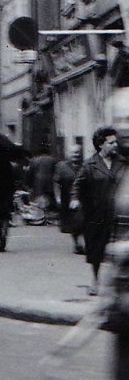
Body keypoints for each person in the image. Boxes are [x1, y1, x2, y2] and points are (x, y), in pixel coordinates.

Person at [70, 126, 126, 295]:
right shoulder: (90, 164)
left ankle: (119, 284)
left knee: (119, 248)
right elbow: (77, 184)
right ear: (101, 145)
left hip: (119, 213)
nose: (115, 145)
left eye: (116, 142)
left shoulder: (123, 162)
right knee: (96, 249)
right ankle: (95, 282)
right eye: (111, 142)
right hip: (97, 213)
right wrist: (75, 199)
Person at [53, 146, 85, 254]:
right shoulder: (62, 166)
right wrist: (57, 197)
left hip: (82, 198)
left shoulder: (85, 165)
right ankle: (77, 242)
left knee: (81, 221)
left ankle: (81, 243)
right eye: (73, 153)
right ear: (69, 154)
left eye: (78, 153)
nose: (76, 155)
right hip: (66, 199)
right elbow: (56, 182)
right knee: (73, 223)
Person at [25, 146, 56, 211]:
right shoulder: (53, 160)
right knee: (50, 205)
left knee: (39, 205)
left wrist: (28, 185)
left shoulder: (34, 160)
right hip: (51, 185)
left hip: (38, 185)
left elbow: (29, 174)